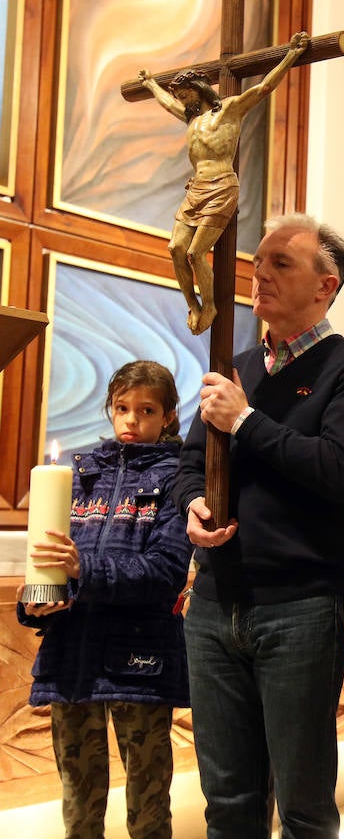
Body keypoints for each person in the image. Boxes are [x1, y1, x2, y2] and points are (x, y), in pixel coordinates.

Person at [172, 212, 344, 838]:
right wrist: (193, 504)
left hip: (297, 605)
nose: (258, 274)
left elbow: (337, 470)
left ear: (327, 285)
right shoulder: (236, 363)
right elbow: (192, 463)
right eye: (258, 261)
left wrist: (246, 421)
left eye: (281, 263)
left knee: (302, 803)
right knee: (229, 799)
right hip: (215, 603)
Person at [17, 360, 192, 839]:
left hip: (139, 659)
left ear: (169, 416)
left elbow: (165, 572)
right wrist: (36, 599)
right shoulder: (77, 475)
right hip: (72, 657)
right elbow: (52, 562)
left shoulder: (179, 479)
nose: (131, 420)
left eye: (146, 409)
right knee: (78, 803)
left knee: (148, 803)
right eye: (121, 408)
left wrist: (84, 569)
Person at [138, 32, 309, 335]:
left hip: (221, 185)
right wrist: (150, 83)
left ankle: (211, 305)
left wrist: (291, 55)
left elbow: (264, 87)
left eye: (184, 94)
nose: (180, 99)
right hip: (196, 189)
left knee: (194, 253)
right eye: (178, 95)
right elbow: (165, 103)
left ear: (198, 89)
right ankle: (193, 304)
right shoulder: (190, 120)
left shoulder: (229, 111)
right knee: (176, 247)